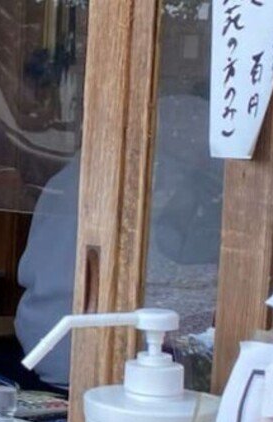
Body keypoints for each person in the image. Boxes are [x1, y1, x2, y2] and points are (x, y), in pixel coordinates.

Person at [14, 94, 222, 387]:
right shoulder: (161, 181)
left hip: (40, 345)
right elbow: (184, 251)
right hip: (97, 362)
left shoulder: (65, 178)